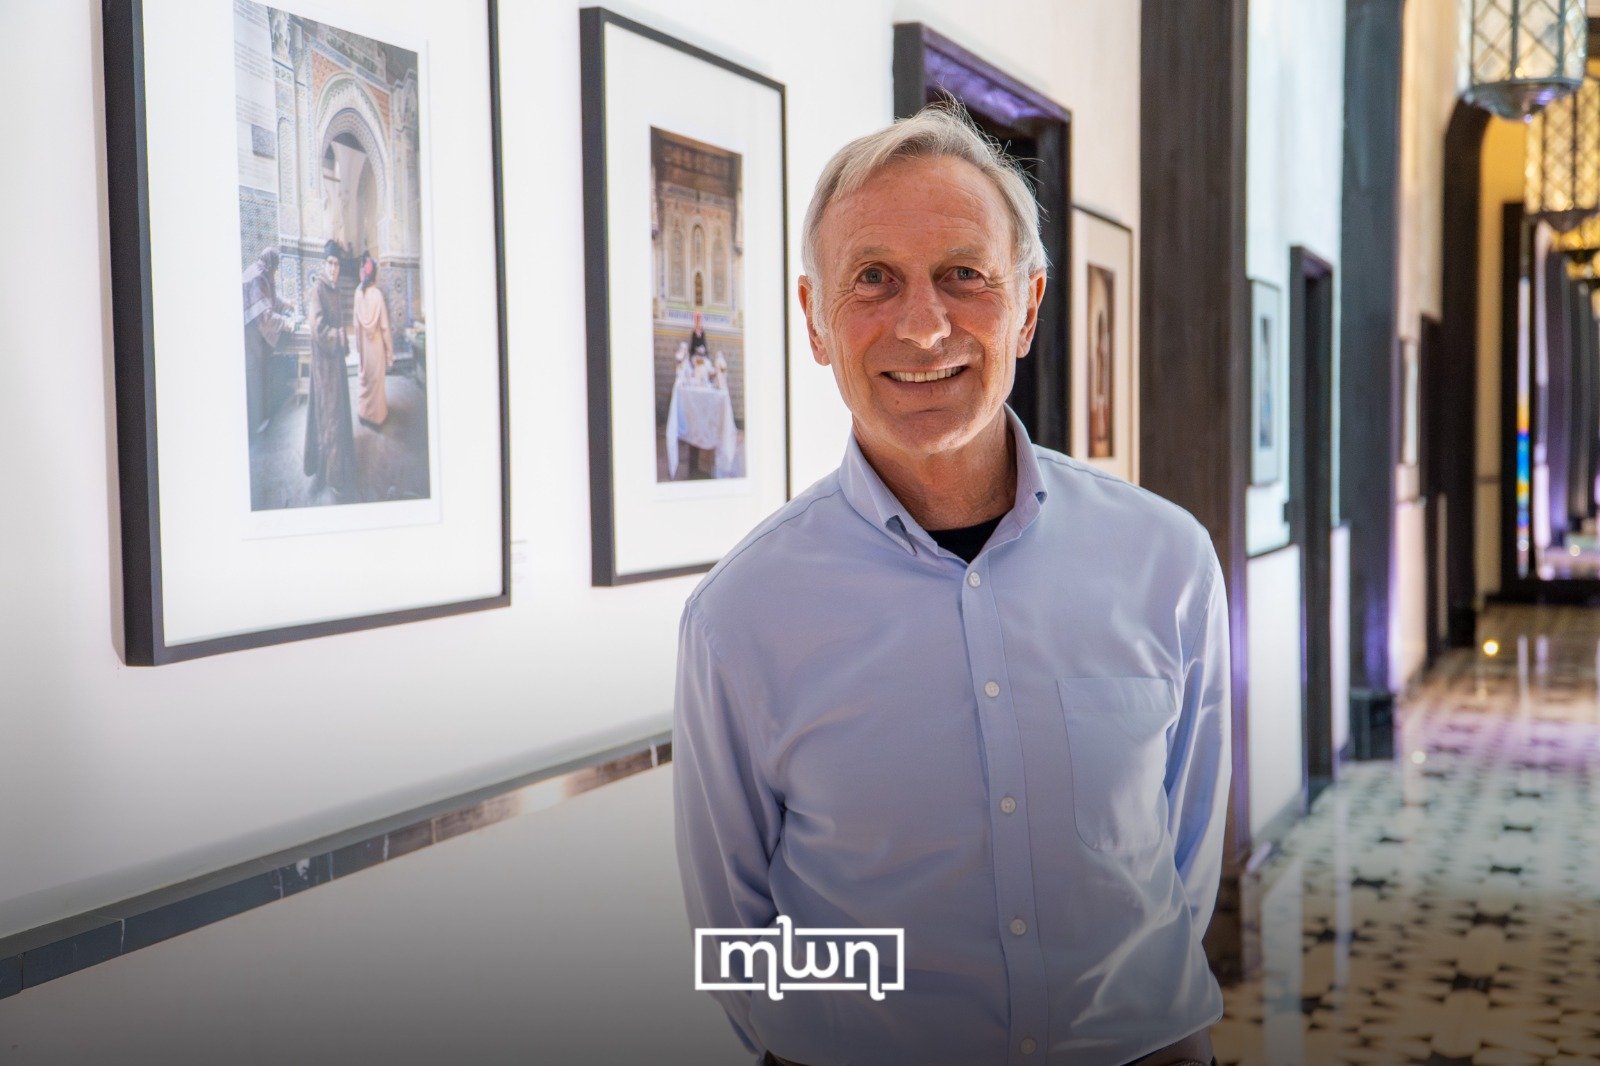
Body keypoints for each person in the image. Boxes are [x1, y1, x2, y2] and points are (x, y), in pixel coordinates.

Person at [674, 105, 1230, 1066]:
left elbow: (1183, 863)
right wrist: (897, 1002)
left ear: (1028, 304)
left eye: (964, 275)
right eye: (874, 279)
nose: (923, 324)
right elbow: (739, 942)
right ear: (814, 317)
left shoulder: (1166, 561)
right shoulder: (742, 618)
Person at [303, 239, 356, 499]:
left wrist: (342, 342)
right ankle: (333, 477)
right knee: (330, 418)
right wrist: (340, 337)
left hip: (336, 364)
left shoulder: (335, 290)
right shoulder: (318, 290)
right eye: (331, 263)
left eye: (337, 265)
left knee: (334, 416)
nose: (334, 269)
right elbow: (318, 329)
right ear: (324, 264)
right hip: (325, 368)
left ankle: (333, 469)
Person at [241, 247, 294, 433]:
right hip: (249, 336)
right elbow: (265, 317)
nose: (275, 271)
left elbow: (270, 297)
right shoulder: (259, 277)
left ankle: (260, 418)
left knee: (259, 374)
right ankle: (256, 423)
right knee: (254, 376)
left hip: (253, 335)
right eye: (276, 267)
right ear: (272, 264)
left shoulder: (261, 271)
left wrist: (286, 303)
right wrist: (285, 323)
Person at [353, 253, 394, 428]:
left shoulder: (357, 293)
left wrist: (358, 347)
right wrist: (389, 352)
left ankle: (364, 413)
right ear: (374, 274)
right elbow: (384, 327)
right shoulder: (377, 295)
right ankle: (377, 417)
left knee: (366, 379)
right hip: (376, 346)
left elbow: (356, 325)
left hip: (364, 345)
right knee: (376, 382)